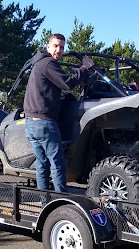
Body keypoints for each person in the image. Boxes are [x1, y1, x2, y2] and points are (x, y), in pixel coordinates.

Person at [23, 33, 94, 193]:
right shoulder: (48, 63)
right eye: (55, 46)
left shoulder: (38, 65)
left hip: (31, 123)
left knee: (42, 164)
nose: (59, 50)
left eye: (62, 47)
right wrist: (84, 68)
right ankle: (60, 203)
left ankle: (44, 203)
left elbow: (51, 90)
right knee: (58, 163)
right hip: (44, 123)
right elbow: (67, 83)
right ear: (48, 47)